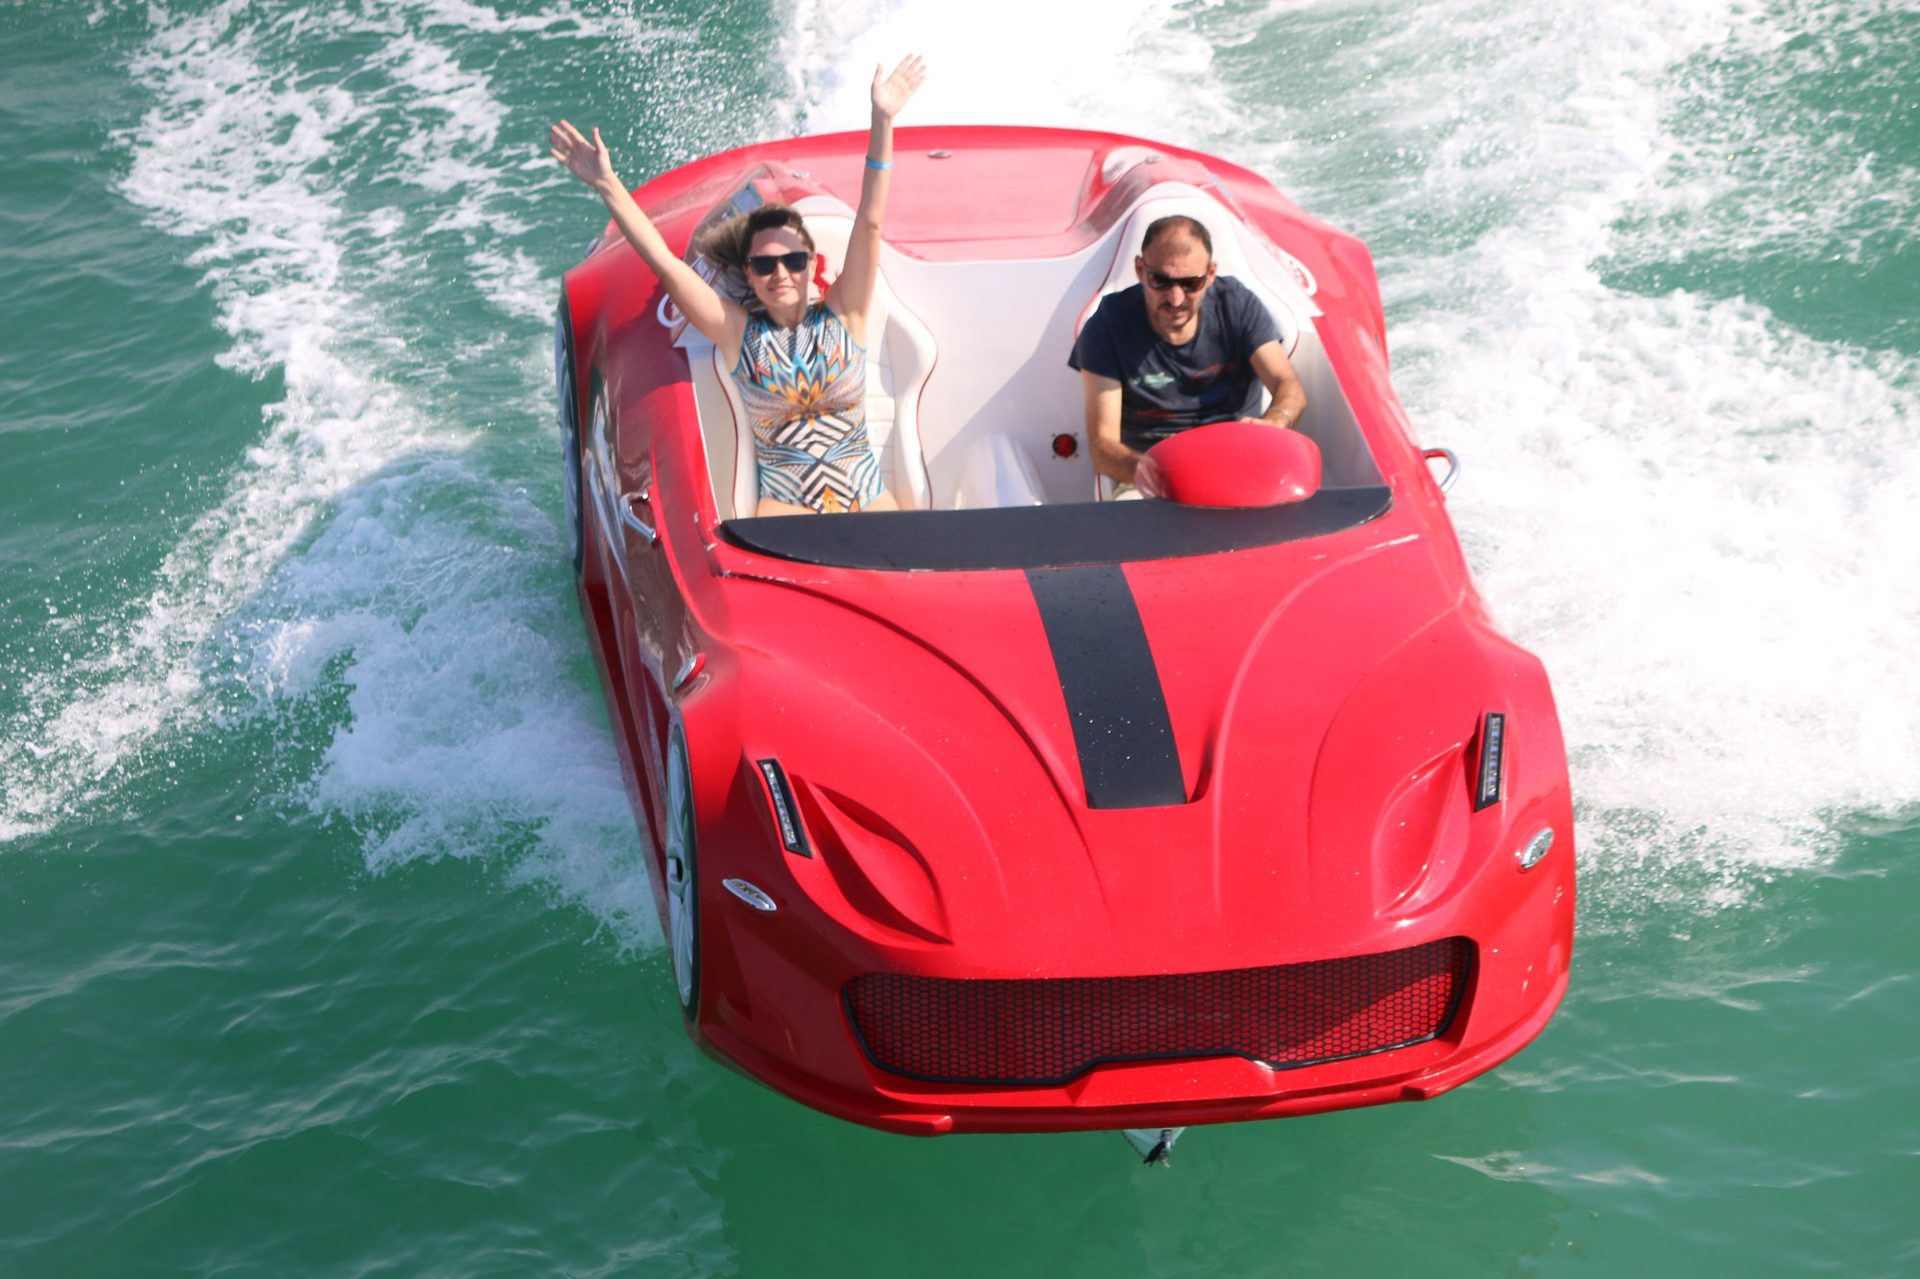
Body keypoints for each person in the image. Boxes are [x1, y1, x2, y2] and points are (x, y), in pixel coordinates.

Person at [549, 56, 927, 516]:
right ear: (748, 274)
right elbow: (667, 267)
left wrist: (881, 120)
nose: (781, 274)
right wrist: (608, 185)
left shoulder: (847, 313)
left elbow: (869, 219)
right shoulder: (739, 333)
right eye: (765, 266)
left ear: (810, 265)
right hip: (788, 518)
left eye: (792, 260)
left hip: (870, 506)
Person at [1069, 215, 1308, 493]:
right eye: (1160, 280)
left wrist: (1275, 421)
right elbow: (1103, 447)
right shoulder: (1107, 326)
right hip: (1151, 478)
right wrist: (1169, 477)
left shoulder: (1238, 306)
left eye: (1190, 284)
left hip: (1239, 465)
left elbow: (1288, 386)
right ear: (1139, 270)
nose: (1175, 299)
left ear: (1210, 275)